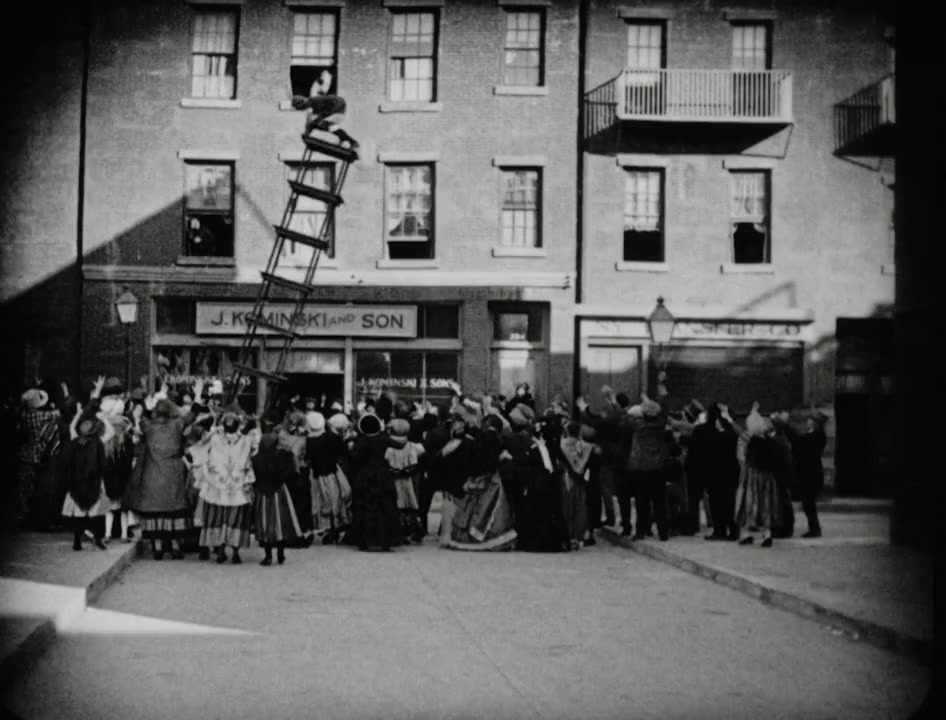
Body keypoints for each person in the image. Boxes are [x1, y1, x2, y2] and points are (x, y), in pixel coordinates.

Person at [123, 398, 194, 559]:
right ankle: (175, 546)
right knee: (174, 512)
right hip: (174, 474)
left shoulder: (148, 426)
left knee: (154, 513)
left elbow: (139, 418)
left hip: (152, 474)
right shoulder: (177, 424)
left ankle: (158, 547)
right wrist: (197, 395)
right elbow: (192, 415)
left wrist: (145, 410)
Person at [190, 409, 256, 564]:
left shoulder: (242, 440)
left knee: (222, 517)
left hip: (225, 484)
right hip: (226, 484)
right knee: (232, 518)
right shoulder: (235, 439)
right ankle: (228, 551)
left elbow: (198, 451)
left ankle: (226, 550)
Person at [445, 414, 518, 551]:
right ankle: (489, 538)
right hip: (492, 478)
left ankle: (471, 537)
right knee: (491, 510)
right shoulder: (496, 438)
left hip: (480, 477)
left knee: (475, 508)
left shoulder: (482, 437)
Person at [346, 413, 402, 551]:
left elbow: (354, 458)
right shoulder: (383, 439)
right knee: (385, 506)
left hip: (365, 474)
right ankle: (387, 539)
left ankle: (366, 539)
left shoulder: (362, 441)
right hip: (383, 474)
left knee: (366, 506)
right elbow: (400, 444)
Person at [685, 402, 740, 541]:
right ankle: (732, 527)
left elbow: (694, 452)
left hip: (712, 470)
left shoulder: (701, 430)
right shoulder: (730, 430)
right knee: (729, 501)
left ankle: (719, 530)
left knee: (716, 501)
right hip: (730, 469)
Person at [252, 416, 302, 566]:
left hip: (263, 494)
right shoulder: (282, 457)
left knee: (265, 523)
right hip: (279, 491)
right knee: (281, 522)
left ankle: (268, 555)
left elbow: (253, 477)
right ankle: (280, 552)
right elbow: (290, 473)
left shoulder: (256, 459)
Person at [628, 398, 679, 541]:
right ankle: (663, 532)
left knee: (641, 502)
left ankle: (641, 531)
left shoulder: (639, 427)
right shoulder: (662, 428)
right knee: (660, 501)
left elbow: (625, 417)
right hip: (659, 468)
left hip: (641, 468)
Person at [60, 417, 109, 550]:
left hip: (76, 483)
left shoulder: (74, 443)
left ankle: (77, 541)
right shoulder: (98, 443)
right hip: (94, 482)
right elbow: (103, 464)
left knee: (78, 514)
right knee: (97, 513)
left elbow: (67, 463)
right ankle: (98, 538)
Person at [307, 410, 352, 544]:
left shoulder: (309, 440)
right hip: (332, 472)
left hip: (317, 475)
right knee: (336, 498)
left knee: (321, 500)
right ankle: (336, 527)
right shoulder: (330, 437)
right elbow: (341, 451)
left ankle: (326, 528)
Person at [291, 69, 359, 149]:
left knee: (321, 124)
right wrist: (308, 132)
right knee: (325, 125)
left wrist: (309, 131)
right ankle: (347, 140)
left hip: (338, 107)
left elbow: (321, 114)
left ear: (302, 103)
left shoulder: (313, 101)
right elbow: (311, 120)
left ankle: (350, 141)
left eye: (301, 108)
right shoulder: (312, 103)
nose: (303, 109)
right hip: (338, 107)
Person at [384, 417, 425, 543]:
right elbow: (416, 461)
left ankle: (397, 531)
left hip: (394, 479)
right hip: (407, 480)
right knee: (410, 504)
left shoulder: (389, 447)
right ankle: (412, 530)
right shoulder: (412, 446)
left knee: (396, 504)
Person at [555, 421, 592, 550]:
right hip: (582, 479)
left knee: (567, 507)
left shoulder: (561, 445)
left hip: (567, 478)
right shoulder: (587, 447)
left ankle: (569, 536)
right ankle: (579, 536)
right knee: (581, 508)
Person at [793, 409, 828, 538]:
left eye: (811, 420)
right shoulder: (815, 435)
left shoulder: (816, 436)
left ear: (815, 423)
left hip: (810, 473)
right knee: (808, 503)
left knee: (809, 503)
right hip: (809, 472)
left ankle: (814, 528)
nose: (808, 422)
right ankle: (814, 527)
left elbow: (801, 445)